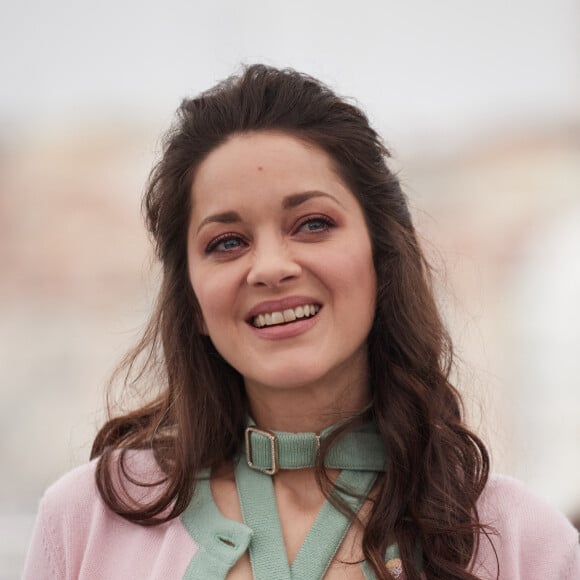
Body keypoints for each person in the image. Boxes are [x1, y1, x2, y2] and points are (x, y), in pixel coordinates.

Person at [23, 64, 579, 580]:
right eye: (227, 242)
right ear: (191, 298)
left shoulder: (523, 541)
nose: (270, 268)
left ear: (382, 256)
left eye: (312, 224)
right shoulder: (85, 522)